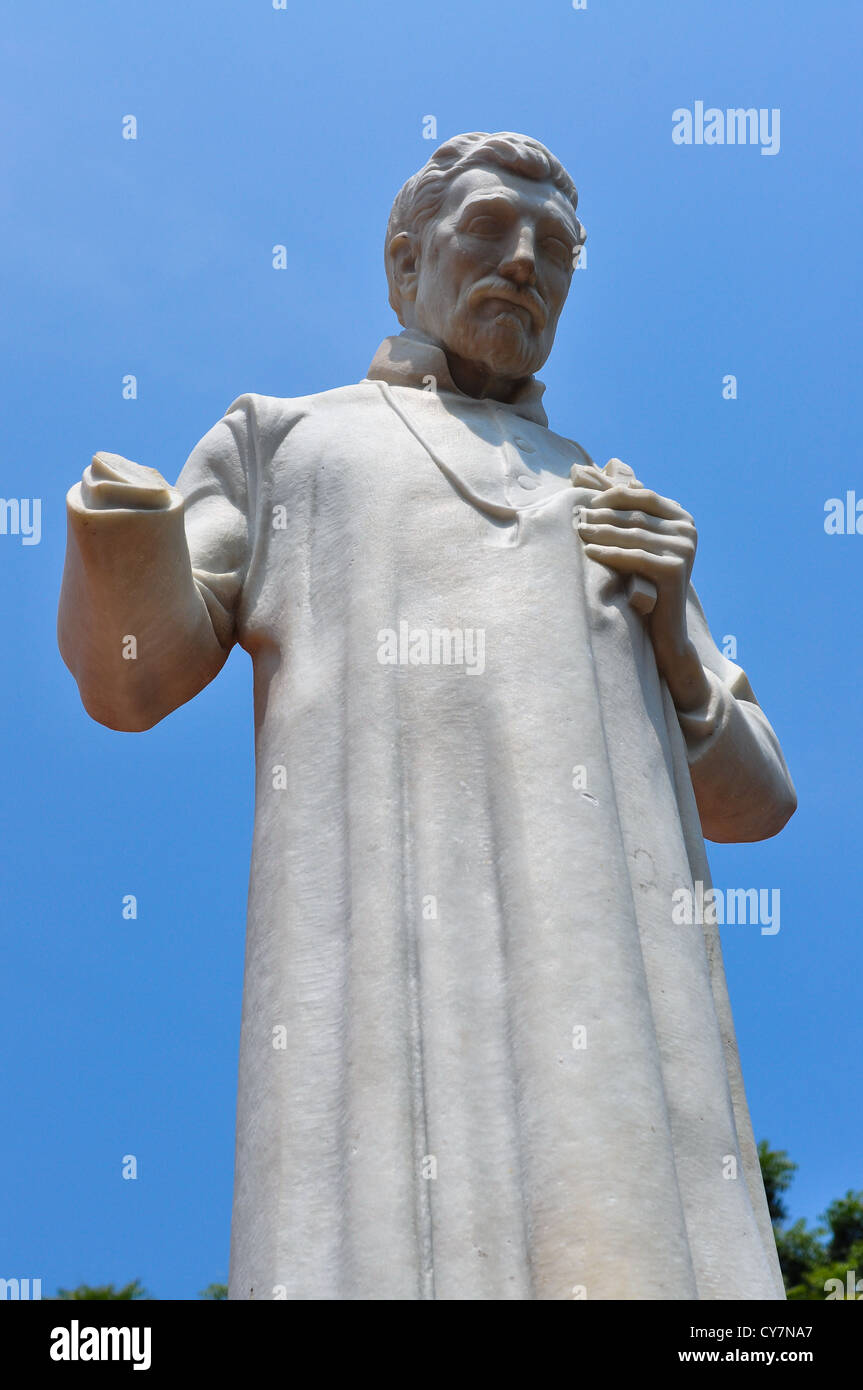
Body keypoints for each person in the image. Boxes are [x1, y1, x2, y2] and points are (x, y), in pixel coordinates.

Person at [58, 131, 796, 1300]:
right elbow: (131, 678)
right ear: (405, 262)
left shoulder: (612, 498)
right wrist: (123, 534)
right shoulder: (288, 437)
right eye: (490, 230)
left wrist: (675, 645)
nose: (523, 262)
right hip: (371, 931)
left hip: (612, 956)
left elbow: (758, 797)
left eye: (553, 248)